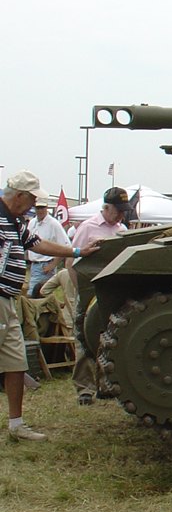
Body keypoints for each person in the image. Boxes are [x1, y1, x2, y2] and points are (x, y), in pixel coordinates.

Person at [1, 170, 100, 441]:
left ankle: (16, 425)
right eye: (32, 200)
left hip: (8, 299)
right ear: (20, 196)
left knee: (16, 362)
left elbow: (39, 244)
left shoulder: (16, 221)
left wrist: (77, 252)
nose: (34, 205)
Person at [70, 186, 130, 405]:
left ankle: (106, 384)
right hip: (89, 291)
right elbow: (72, 262)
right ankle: (84, 388)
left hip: (111, 293)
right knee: (85, 336)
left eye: (124, 210)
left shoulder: (121, 229)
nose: (122, 214)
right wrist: (80, 293)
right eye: (119, 210)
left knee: (109, 336)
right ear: (106, 207)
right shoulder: (88, 228)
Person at [27, 196, 71, 297]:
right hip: (34, 265)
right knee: (38, 296)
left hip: (45, 264)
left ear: (47, 208)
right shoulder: (32, 222)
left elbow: (66, 246)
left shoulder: (53, 224)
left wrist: (53, 265)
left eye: (42, 208)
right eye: (38, 208)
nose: (40, 210)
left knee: (34, 296)